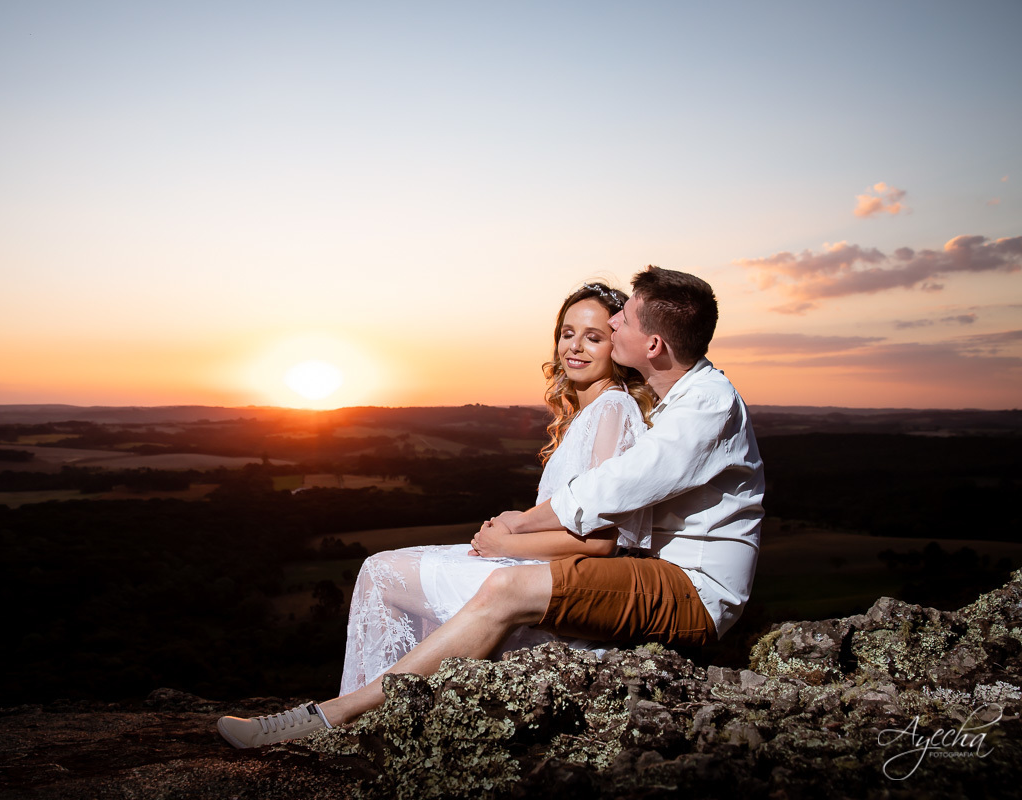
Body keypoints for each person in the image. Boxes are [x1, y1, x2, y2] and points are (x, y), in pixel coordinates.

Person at [217, 266, 764, 749]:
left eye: (621, 322)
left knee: (505, 587)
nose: (615, 324)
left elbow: (616, 489)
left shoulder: (704, 407)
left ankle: (338, 717)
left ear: (653, 346)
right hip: (654, 574)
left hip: (692, 591)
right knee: (387, 571)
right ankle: (381, 713)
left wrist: (516, 528)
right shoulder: (678, 399)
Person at [338, 282, 657, 696]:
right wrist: (515, 526)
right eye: (567, 333)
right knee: (385, 570)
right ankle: (391, 707)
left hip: (552, 582)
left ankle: (362, 714)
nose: (575, 347)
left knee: (381, 573)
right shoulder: (590, 411)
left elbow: (599, 542)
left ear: (616, 347)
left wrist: (504, 545)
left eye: (593, 337)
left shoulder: (613, 408)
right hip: (539, 567)